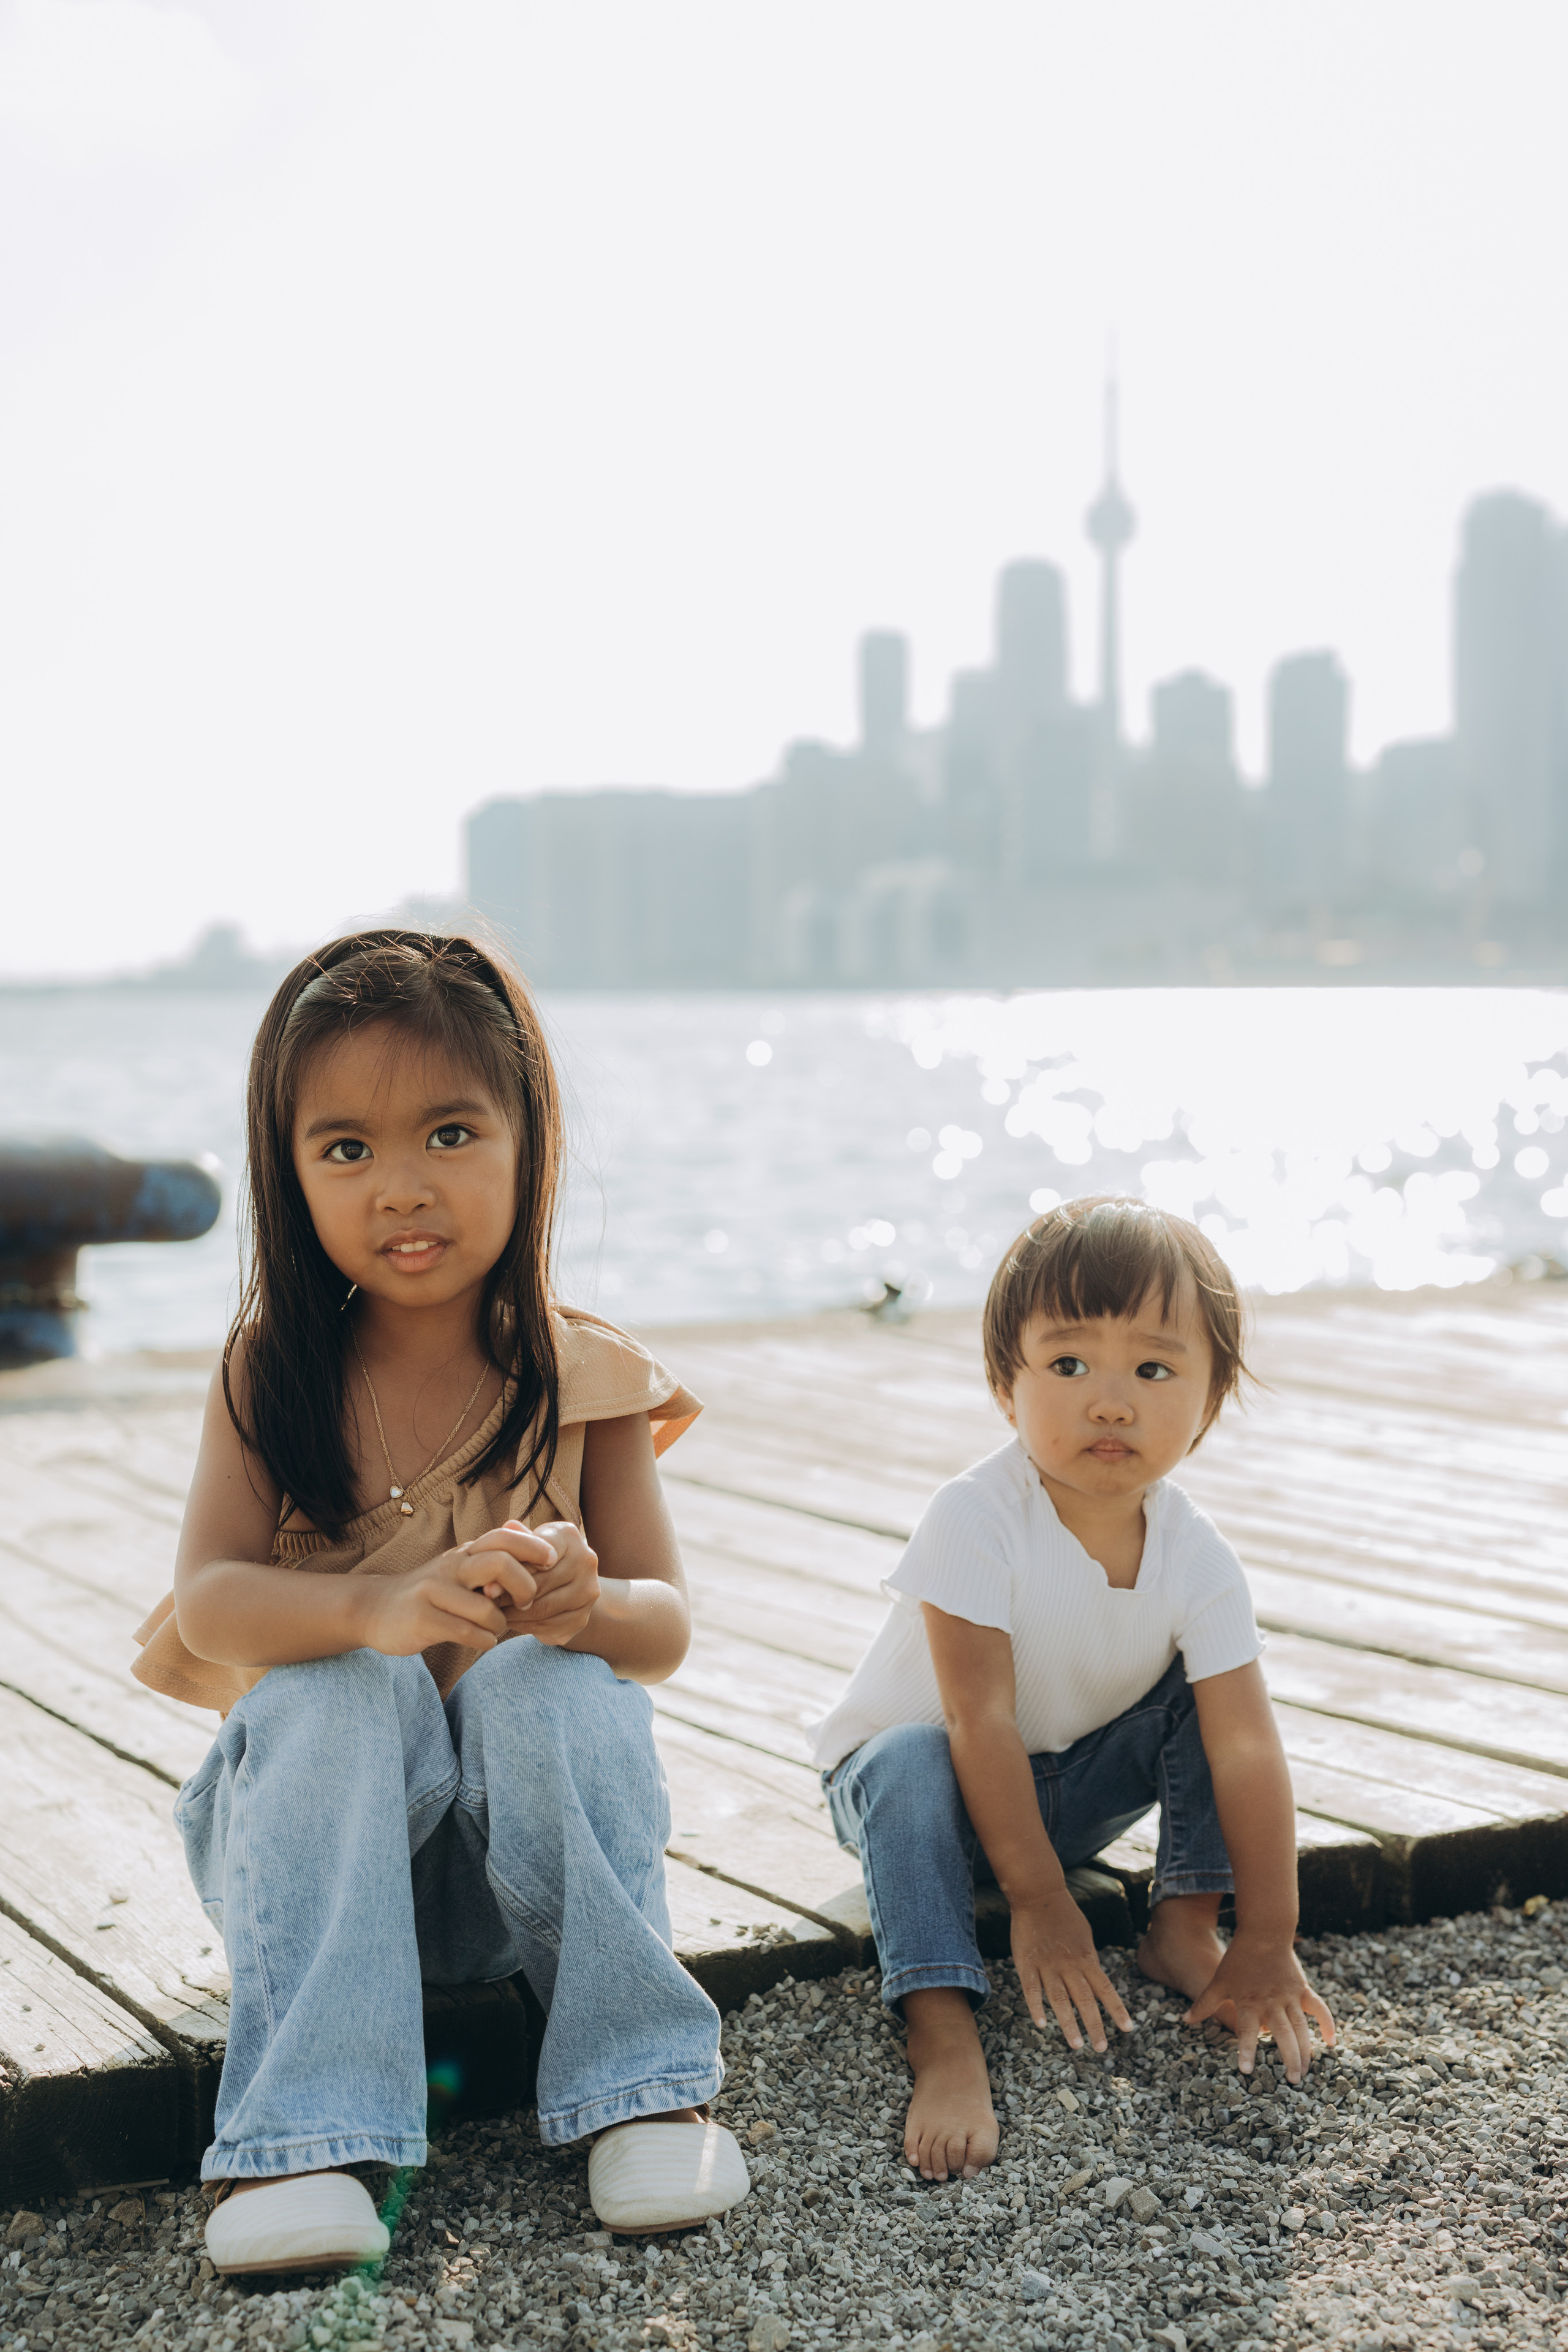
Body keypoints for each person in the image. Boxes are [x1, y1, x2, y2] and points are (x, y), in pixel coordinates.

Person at [132, 930, 750, 2277]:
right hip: (306, 1853)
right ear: (286, 1173)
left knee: (551, 1677)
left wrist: (588, 1608)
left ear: (530, 1141)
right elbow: (213, 1601)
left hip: (497, 1872)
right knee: (333, 1685)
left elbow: (667, 1626)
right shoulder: (273, 1372)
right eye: (344, 1150)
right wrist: (373, 1610)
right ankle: (301, 2137)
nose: (401, 1188)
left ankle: (645, 2085)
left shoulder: (584, 1377)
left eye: (452, 1133)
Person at [809, 1194, 1335, 2185]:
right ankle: (941, 2026)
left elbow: (1248, 1751)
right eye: (1067, 1365)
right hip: (921, 1794)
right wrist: (1041, 1900)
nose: (1109, 1401)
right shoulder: (976, 1515)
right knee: (910, 1755)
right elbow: (978, 1717)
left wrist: (1268, 1937)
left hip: (1068, 1786)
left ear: (1211, 1399)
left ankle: (1184, 1929)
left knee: (1208, 1695)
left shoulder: (1198, 1555)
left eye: (1152, 1368)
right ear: (1007, 1390)